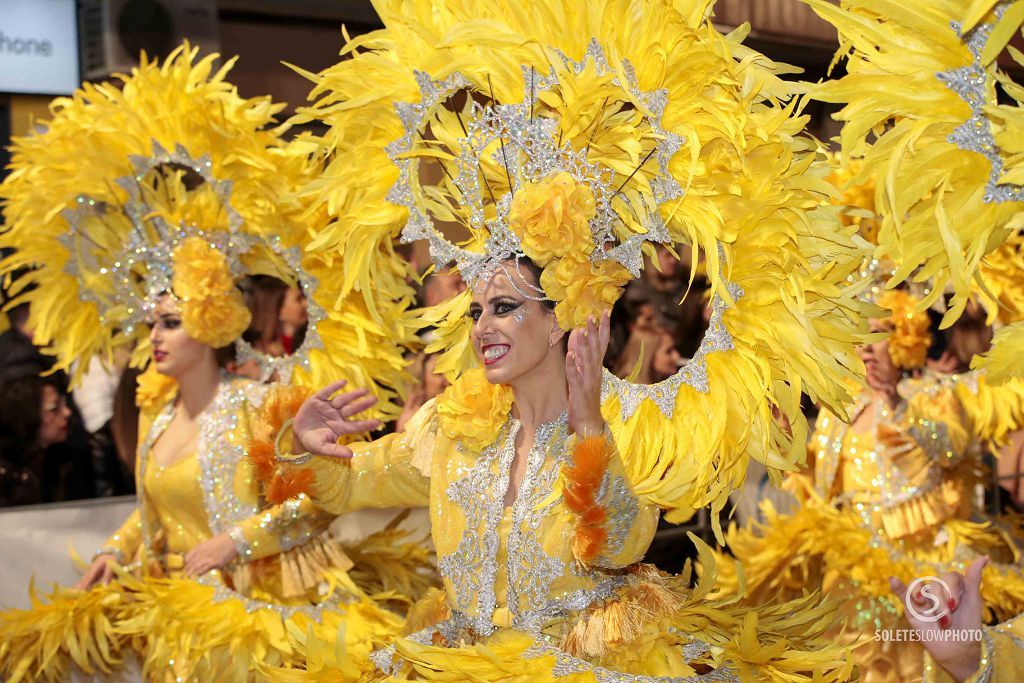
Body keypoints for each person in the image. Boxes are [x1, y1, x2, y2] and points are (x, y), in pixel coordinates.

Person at [249, 0, 882, 676]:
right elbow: (351, 488)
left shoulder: (624, 417)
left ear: (558, 321)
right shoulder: (452, 426)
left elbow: (619, 542)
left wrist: (587, 428)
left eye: (504, 307)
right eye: (477, 310)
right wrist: (304, 445)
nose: (483, 326)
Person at [0, 45, 427, 682]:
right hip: (178, 627)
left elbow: (315, 503)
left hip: (254, 620)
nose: (155, 338)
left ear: (210, 322)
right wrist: (118, 553)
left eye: (170, 322)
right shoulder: (156, 411)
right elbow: (156, 514)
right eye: (151, 324)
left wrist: (237, 541)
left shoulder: (261, 403)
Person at [712, 286, 1024, 681]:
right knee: (853, 658)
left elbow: (950, 451)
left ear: (906, 340)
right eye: (864, 336)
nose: (870, 347)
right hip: (854, 563)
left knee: (923, 662)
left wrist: (899, 406)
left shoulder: (931, 396)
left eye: (882, 334)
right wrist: (783, 442)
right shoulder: (840, 410)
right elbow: (818, 488)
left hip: (920, 558)